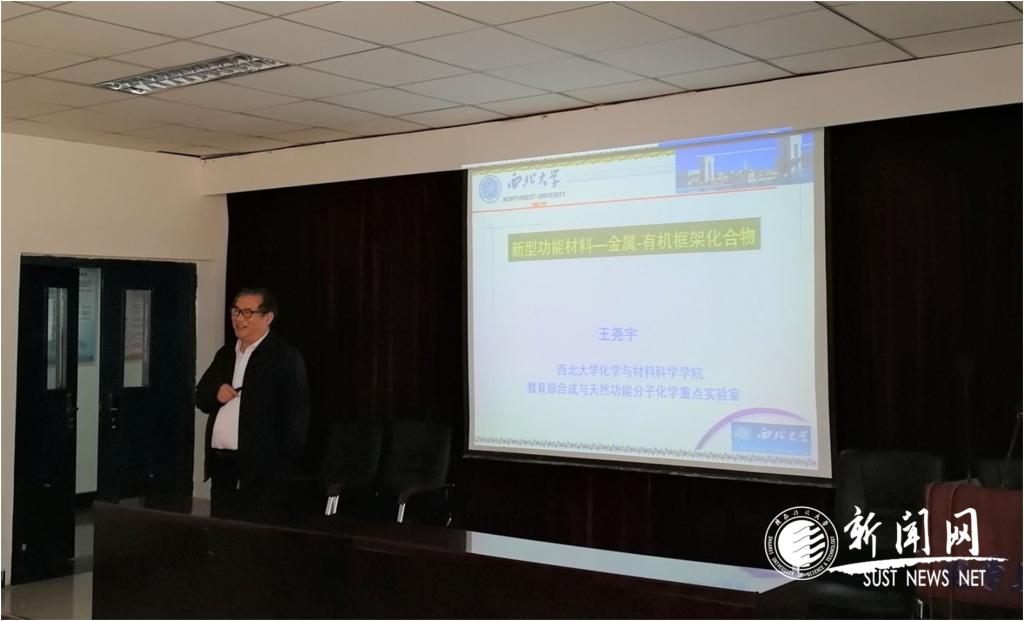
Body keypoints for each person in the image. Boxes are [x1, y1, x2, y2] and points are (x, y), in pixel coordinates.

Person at [195, 287, 310, 516]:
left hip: (263, 471)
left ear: (268, 317)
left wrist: (281, 464)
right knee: (221, 527)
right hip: (223, 465)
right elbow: (201, 397)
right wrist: (216, 393)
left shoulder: (284, 357)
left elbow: (297, 416)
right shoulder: (226, 354)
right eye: (235, 311)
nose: (239, 318)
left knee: (255, 528)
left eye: (247, 312)